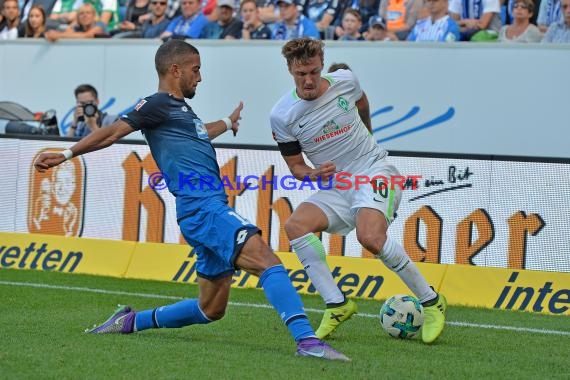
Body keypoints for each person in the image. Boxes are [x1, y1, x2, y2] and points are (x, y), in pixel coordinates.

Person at [33, 40, 349, 362]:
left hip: (202, 210)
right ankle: (307, 342)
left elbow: (199, 132)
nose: (200, 77)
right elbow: (113, 132)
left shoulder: (180, 110)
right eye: (195, 70)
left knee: (211, 308)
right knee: (267, 260)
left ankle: (129, 321)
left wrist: (227, 123)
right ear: (175, 70)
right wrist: (66, 153)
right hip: (203, 208)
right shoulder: (156, 104)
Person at [269, 38, 447, 343]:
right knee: (295, 225)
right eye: (301, 74)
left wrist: (369, 132)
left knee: (370, 238)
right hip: (338, 185)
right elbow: (295, 166)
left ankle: (431, 301)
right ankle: (336, 304)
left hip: (373, 169)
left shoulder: (346, 82)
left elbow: (362, 102)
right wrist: (312, 173)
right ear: (289, 69)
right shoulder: (282, 115)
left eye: (313, 71)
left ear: (322, 63)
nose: (308, 80)